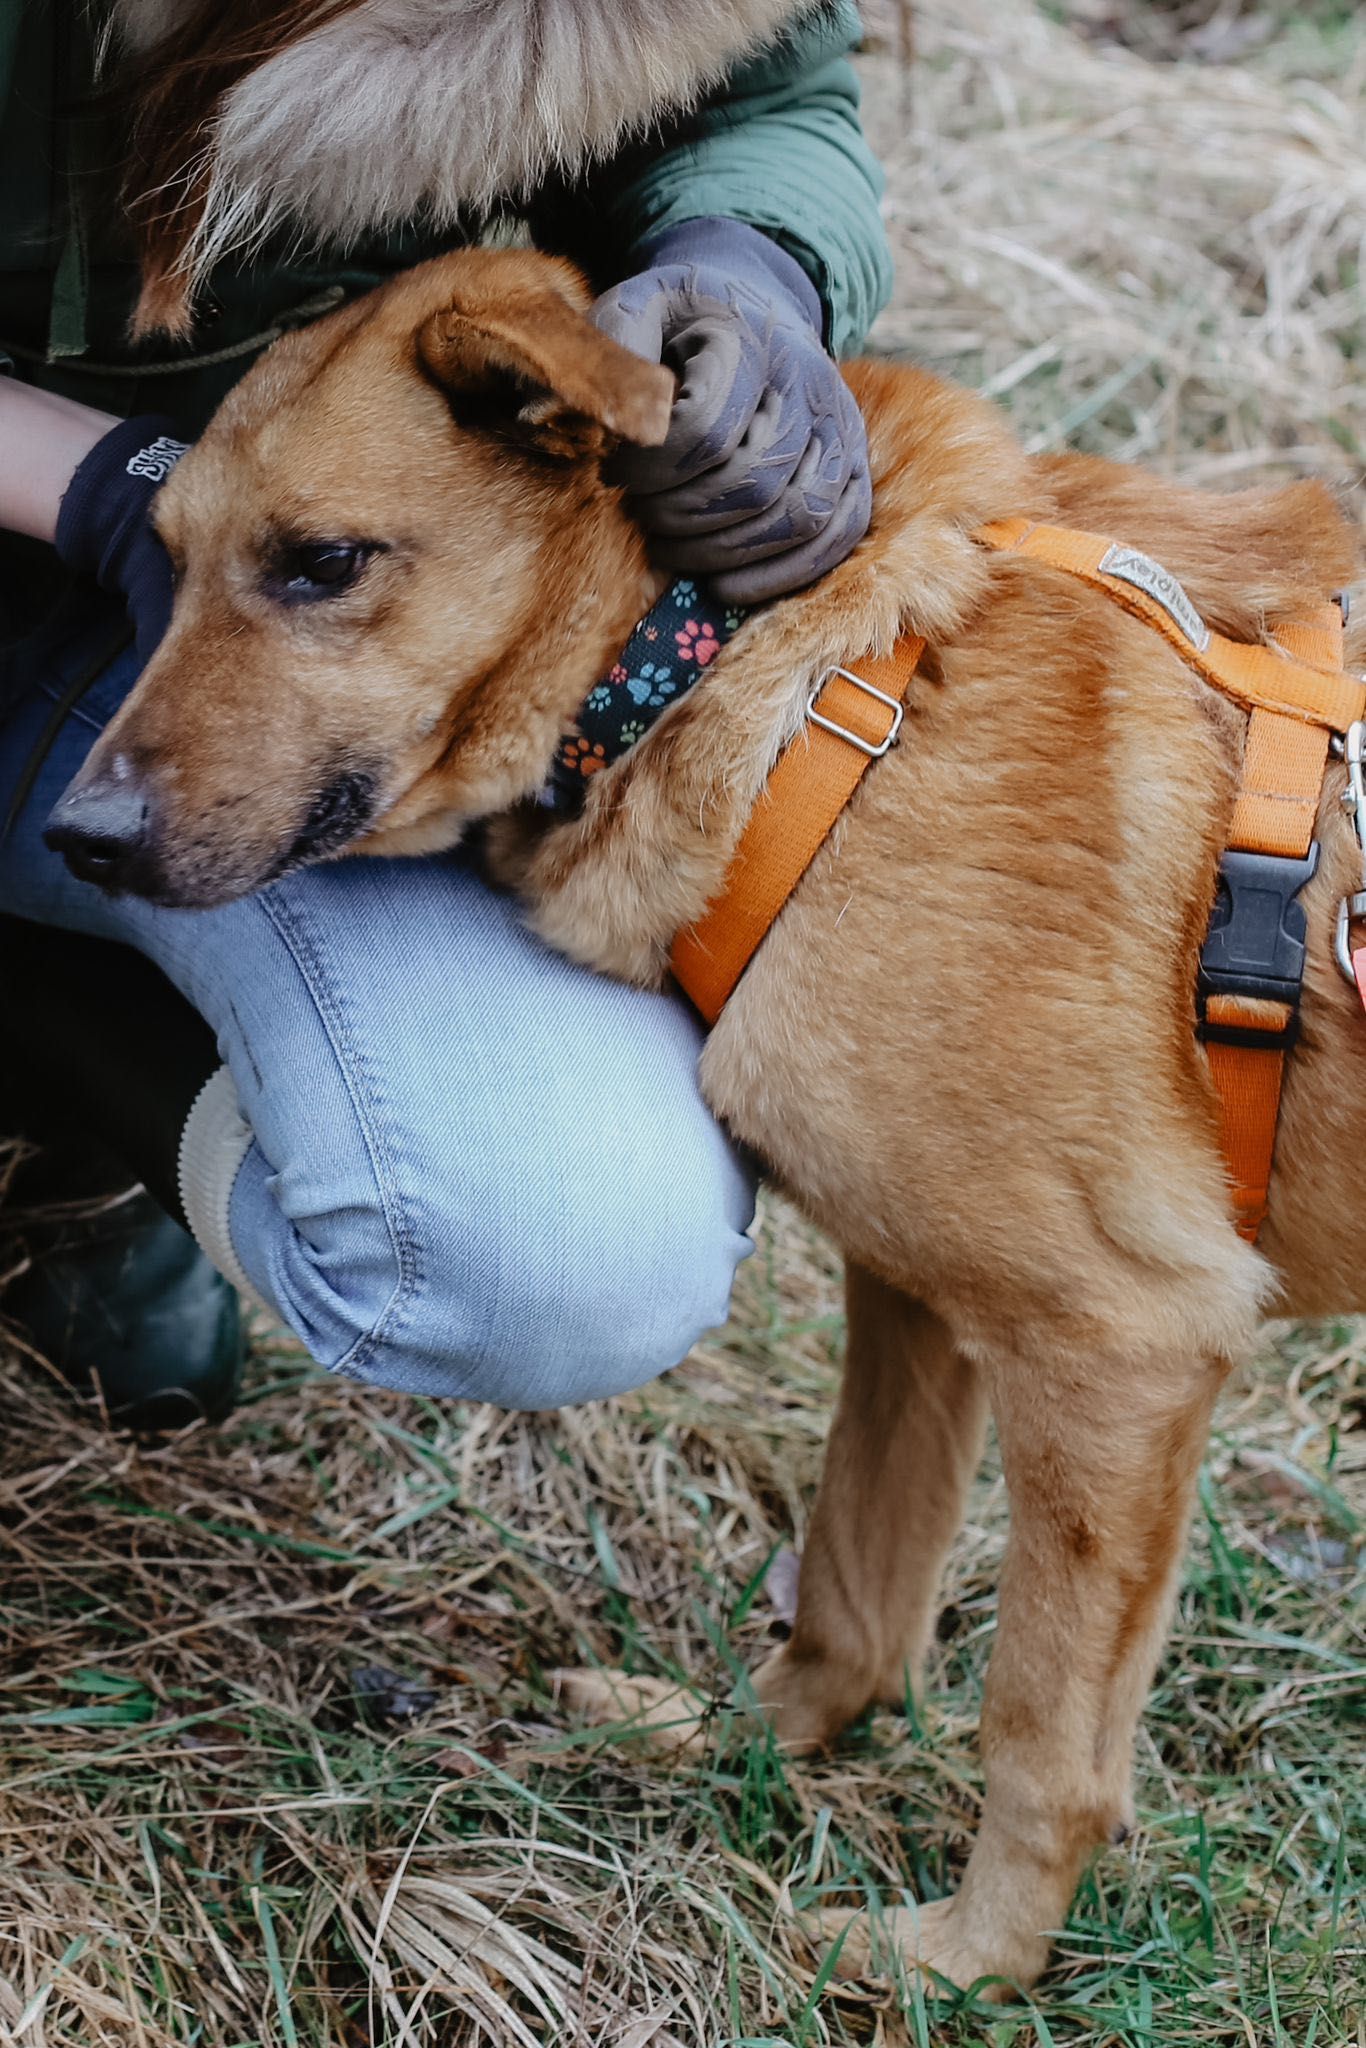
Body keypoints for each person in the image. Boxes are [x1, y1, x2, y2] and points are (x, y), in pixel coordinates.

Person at [0, 0, 892, 1427]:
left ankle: (79, 1096)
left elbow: (759, 100)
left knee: (556, 1253)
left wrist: (754, 264)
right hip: (145, 521)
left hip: (221, 582)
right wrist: (95, 476)